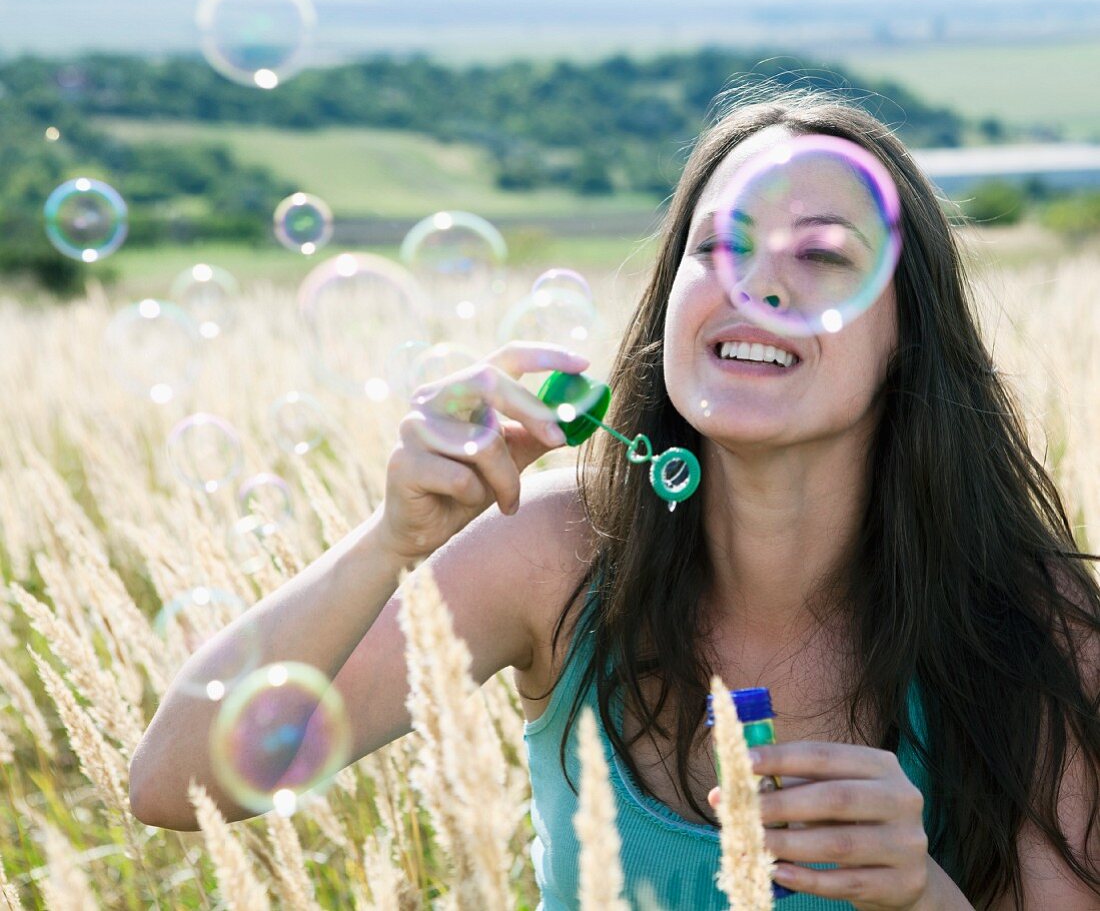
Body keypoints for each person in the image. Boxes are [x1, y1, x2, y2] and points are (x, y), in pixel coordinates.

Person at [129, 85, 1100, 910]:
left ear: (907, 335)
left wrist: (921, 893)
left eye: (817, 256)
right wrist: (394, 538)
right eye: (715, 247)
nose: (752, 287)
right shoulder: (559, 551)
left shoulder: (1034, 626)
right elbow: (174, 781)